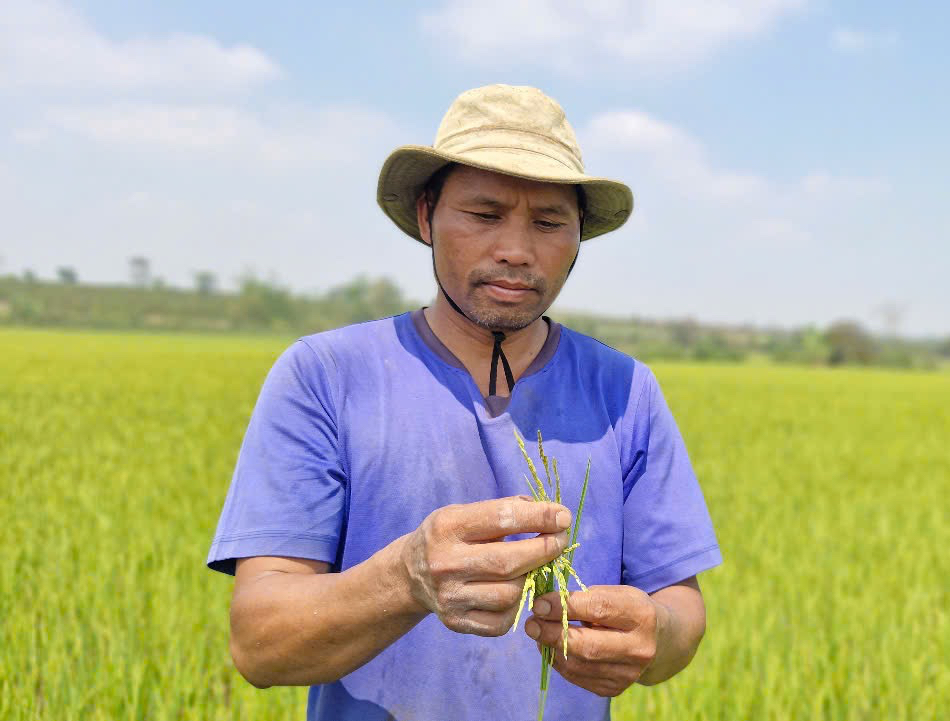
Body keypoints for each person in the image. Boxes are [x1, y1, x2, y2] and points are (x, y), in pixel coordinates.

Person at [206, 84, 722, 721]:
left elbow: (681, 609)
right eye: (484, 214)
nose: (516, 249)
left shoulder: (625, 391)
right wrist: (407, 576)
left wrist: (655, 635)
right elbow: (260, 644)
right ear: (427, 216)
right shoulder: (325, 376)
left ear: (580, 236)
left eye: (549, 222)